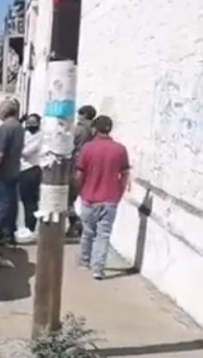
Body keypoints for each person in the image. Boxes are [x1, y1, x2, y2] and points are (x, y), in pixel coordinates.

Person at [75, 116, 130, 280]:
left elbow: (79, 174)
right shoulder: (120, 149)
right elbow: (125, 173)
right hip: (110, 198)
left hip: (89, 197)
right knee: (103, 234)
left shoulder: (87, 148)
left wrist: (79, 191)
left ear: (94, 129)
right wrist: (119, 193)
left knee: (88, 231)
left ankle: (85, 260)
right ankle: (98, 268)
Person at [0, 98, 25, 246]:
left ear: (4, 111)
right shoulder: (18, 128)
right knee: (11, 205)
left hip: (2, 173)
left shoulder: (4, 129)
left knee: (2, 206)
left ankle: (2, 236)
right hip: (14, 171)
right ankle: (8, 234)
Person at [68, 105, 98, 237]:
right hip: (91, 166)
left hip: (76, 165)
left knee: (68, 198)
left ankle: (75, 222)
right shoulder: (94, 130)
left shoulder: (79, 129)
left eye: (80, 113)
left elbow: (70, 145)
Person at [19, 113, 43, 232]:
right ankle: (26, 226)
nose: (31, 125)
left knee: (31, 202)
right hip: (21, 170)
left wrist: (17, 148)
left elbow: (26, 152)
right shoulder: (24, 133)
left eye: (34, 122)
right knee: (24, 200)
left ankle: (30, 227)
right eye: (29, 122)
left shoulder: (40, 136)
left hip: (32, 169)